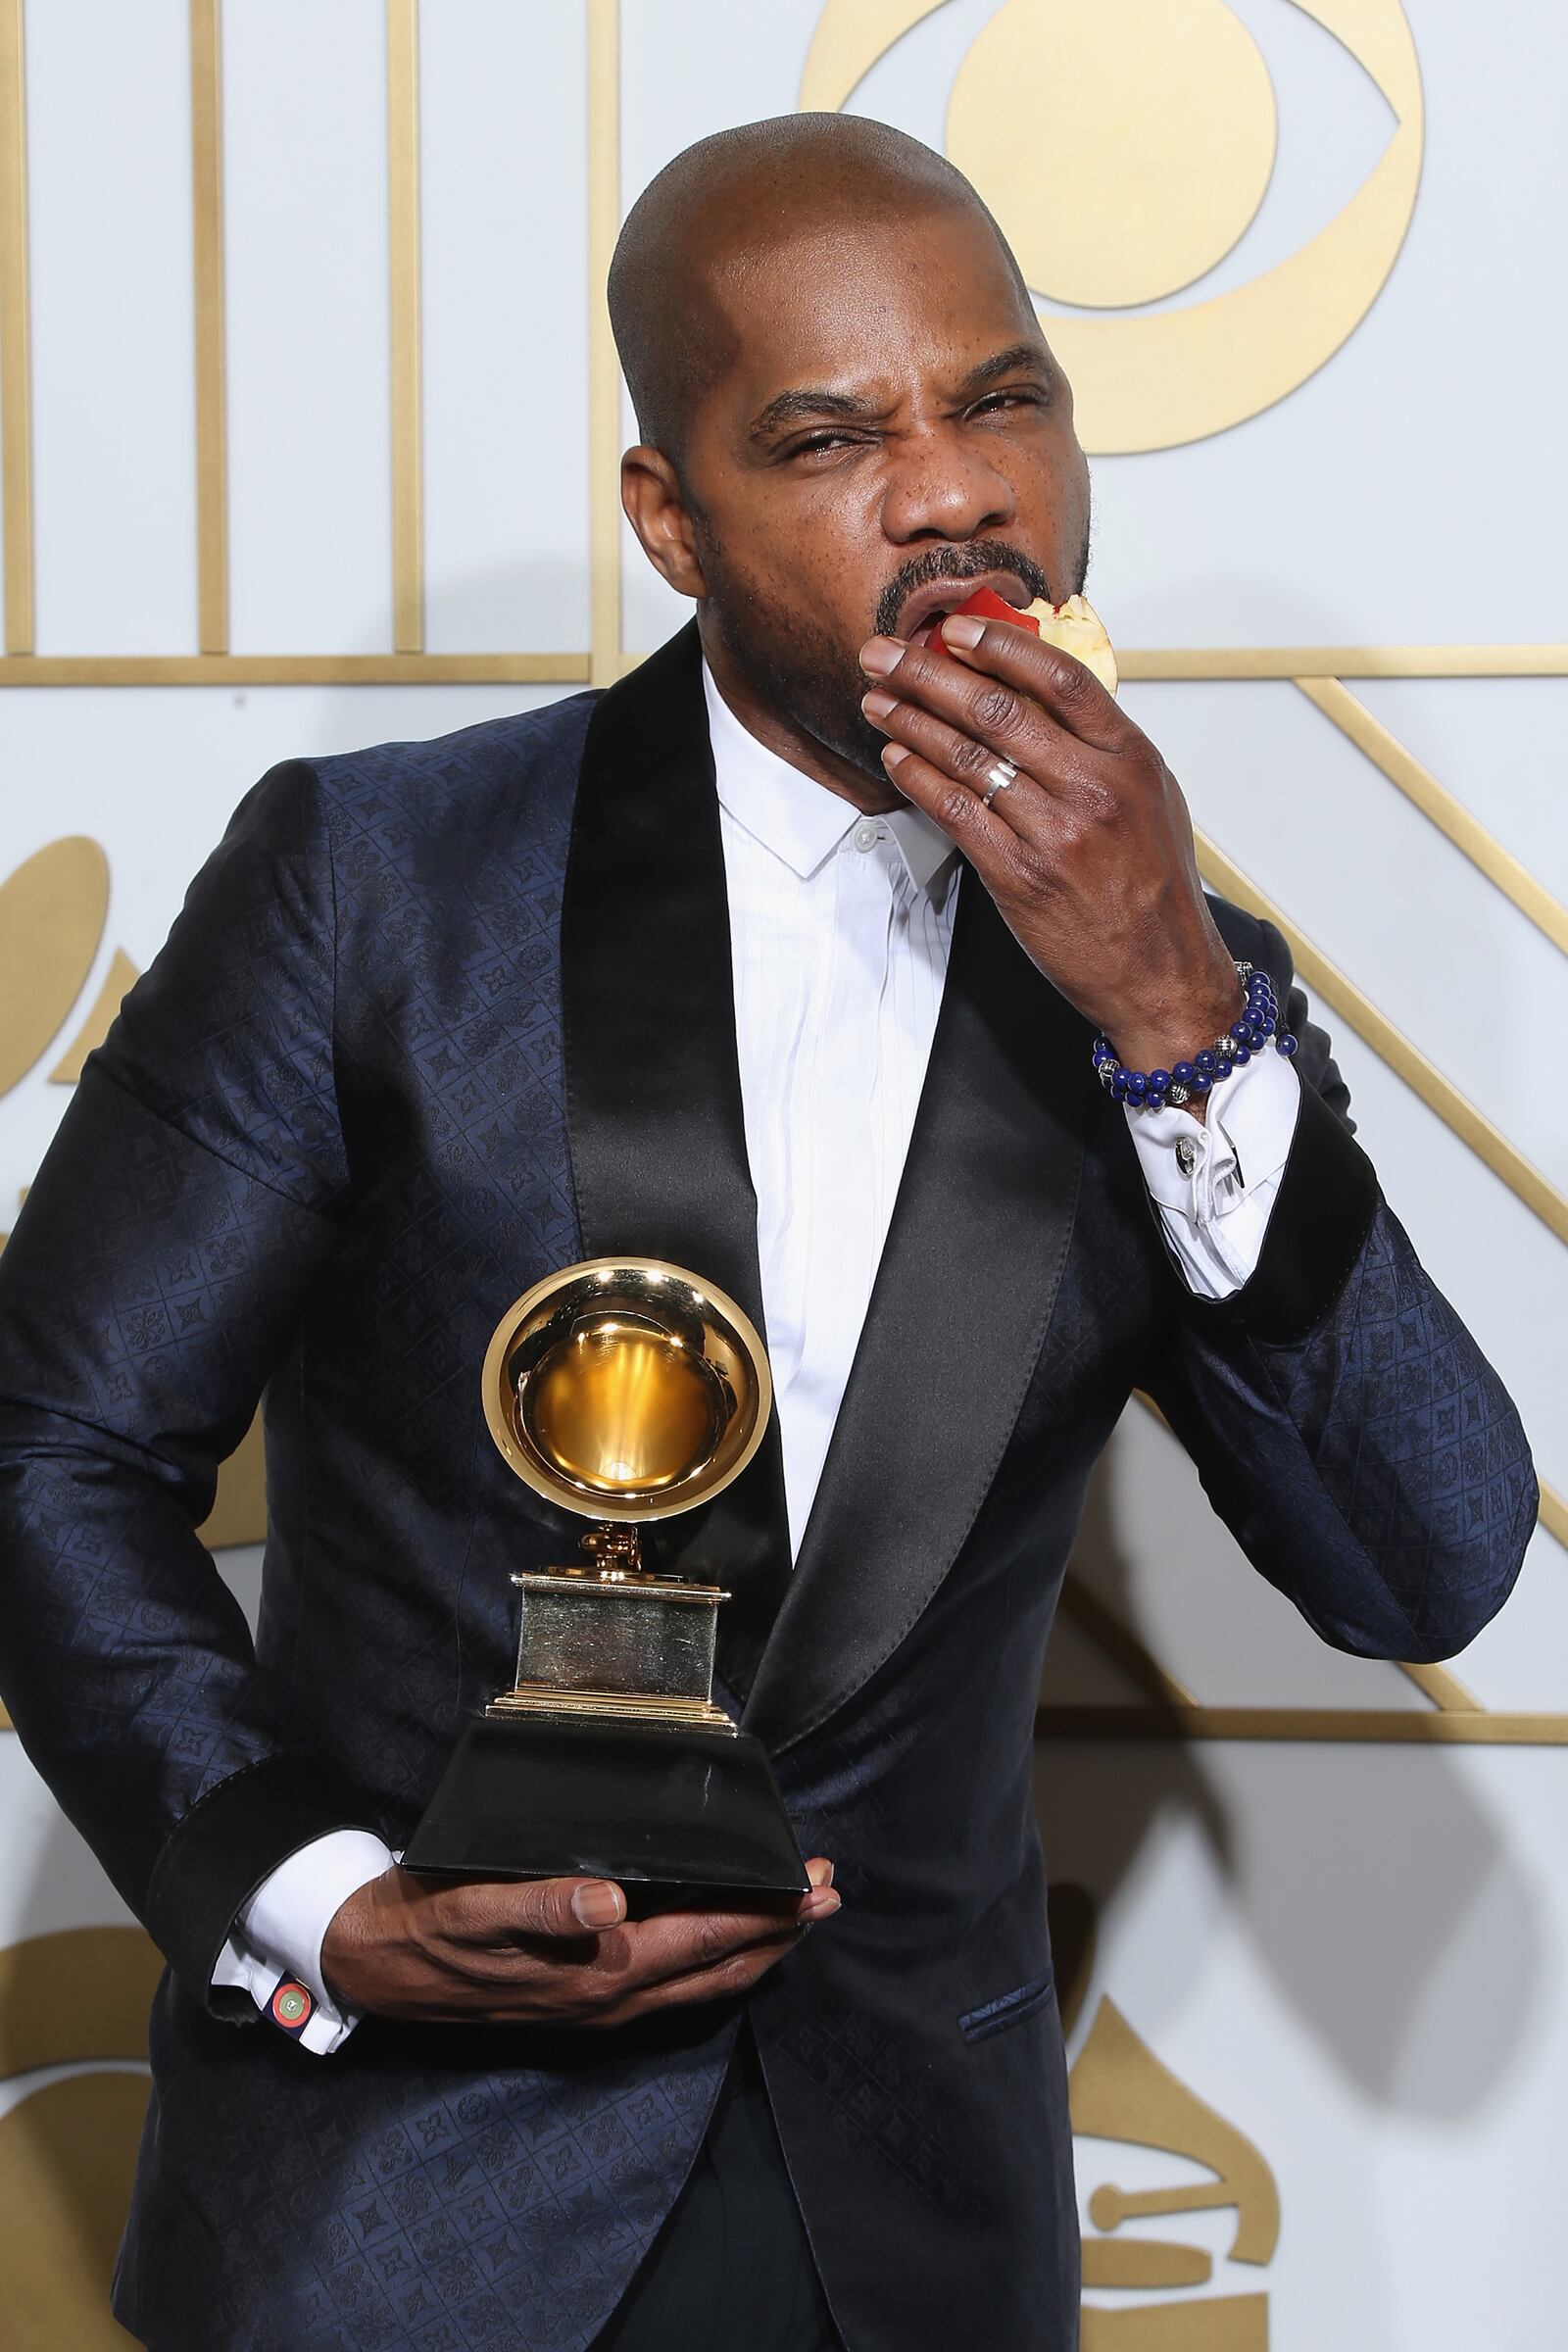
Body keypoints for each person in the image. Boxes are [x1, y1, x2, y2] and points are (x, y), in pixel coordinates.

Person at [0, 114, 1534, 2352]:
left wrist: (1174, 1021)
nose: (948, 494)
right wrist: (321, 1900)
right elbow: (50, 1444)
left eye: (1000, 399)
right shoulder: (375, 885)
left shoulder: (1168, 982)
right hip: (407, 2199)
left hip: (907, 2214)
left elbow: (1427, 1557)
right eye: (826, 436)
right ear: (672, 517)